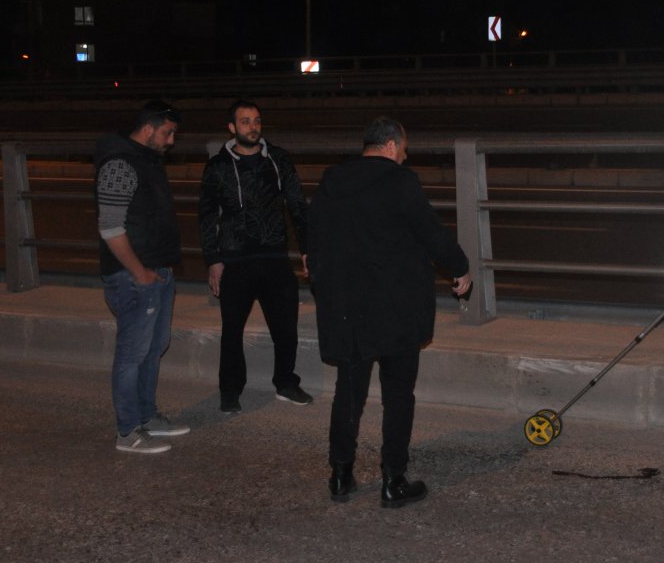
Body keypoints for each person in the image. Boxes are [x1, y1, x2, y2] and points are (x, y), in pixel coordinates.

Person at [308, 116, 472, 508]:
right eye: (404, 148)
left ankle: (340, 475)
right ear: (391, 146)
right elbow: (430, 232)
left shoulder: (332, 181)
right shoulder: (401, 181)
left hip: (347, 309)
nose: (404, 155)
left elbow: (314, 236)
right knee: (398, 396)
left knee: (348, 394)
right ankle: (393, 480)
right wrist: (460, 267)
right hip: (396, 308)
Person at [198, 100, 312, 414]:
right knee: (232, 330)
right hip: (235, 259)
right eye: (245, 121)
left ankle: (286, 383)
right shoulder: (218, 167)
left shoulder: (278, 159)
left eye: (257, 120)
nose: (253, 126)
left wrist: (307, 248)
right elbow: (208, 216)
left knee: (285, 327)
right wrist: (213, 259)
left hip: (274, 257)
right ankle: (230, 390)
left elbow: (297, 206)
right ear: (232, 128)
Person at [96, 100, 191, 454]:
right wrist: (140, 273)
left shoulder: (147, 160)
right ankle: (127, 432)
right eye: (167, 133)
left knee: (153, 349)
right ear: (148, 129)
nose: (171, 141)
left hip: (156, 271)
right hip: (134, 277)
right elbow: (110, 228)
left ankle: (147, 416)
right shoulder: (120, 163)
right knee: (132, 354)